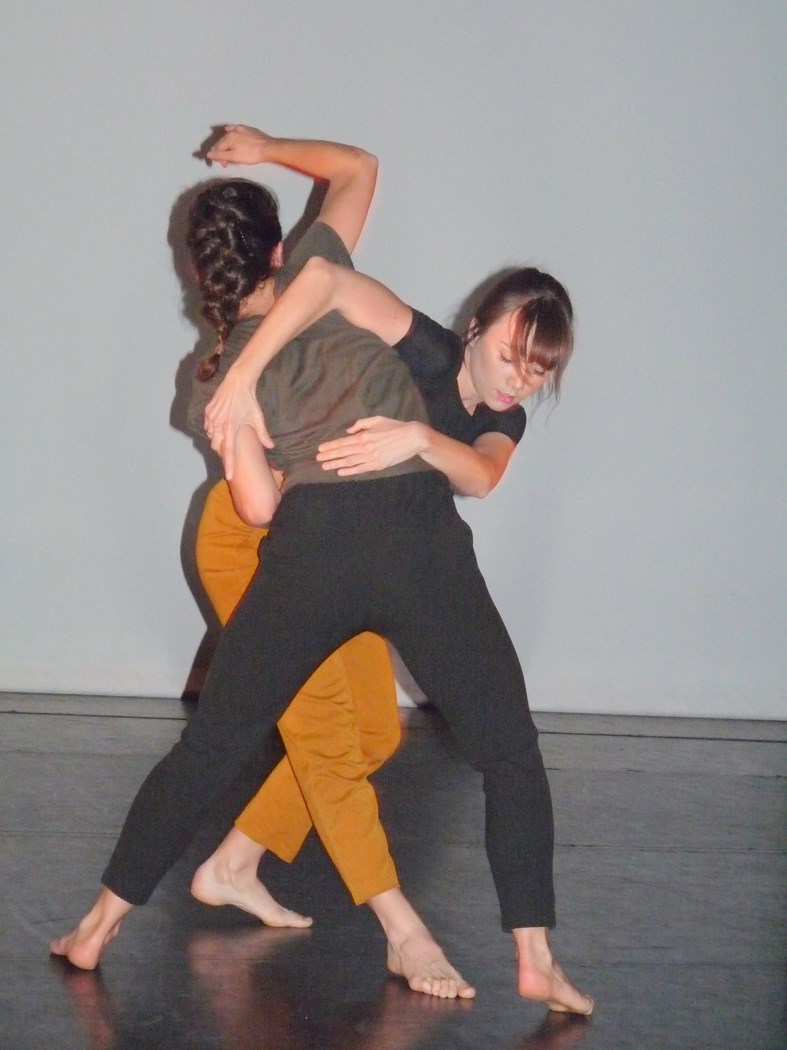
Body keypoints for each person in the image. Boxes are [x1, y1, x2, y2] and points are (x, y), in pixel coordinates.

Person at [52, 127, 593, 1015]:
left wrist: (241, 397)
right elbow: (357, 178)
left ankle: (96, 926)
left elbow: (261, 507)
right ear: (280, 248)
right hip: (413, 535)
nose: (517, 378)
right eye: (510, 355)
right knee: (507, 749)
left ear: (198, 277)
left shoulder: (212, 377)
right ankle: (532, 956)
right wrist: (266, 147)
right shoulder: (323, 273)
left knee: (211, 749)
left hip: (313, 546)